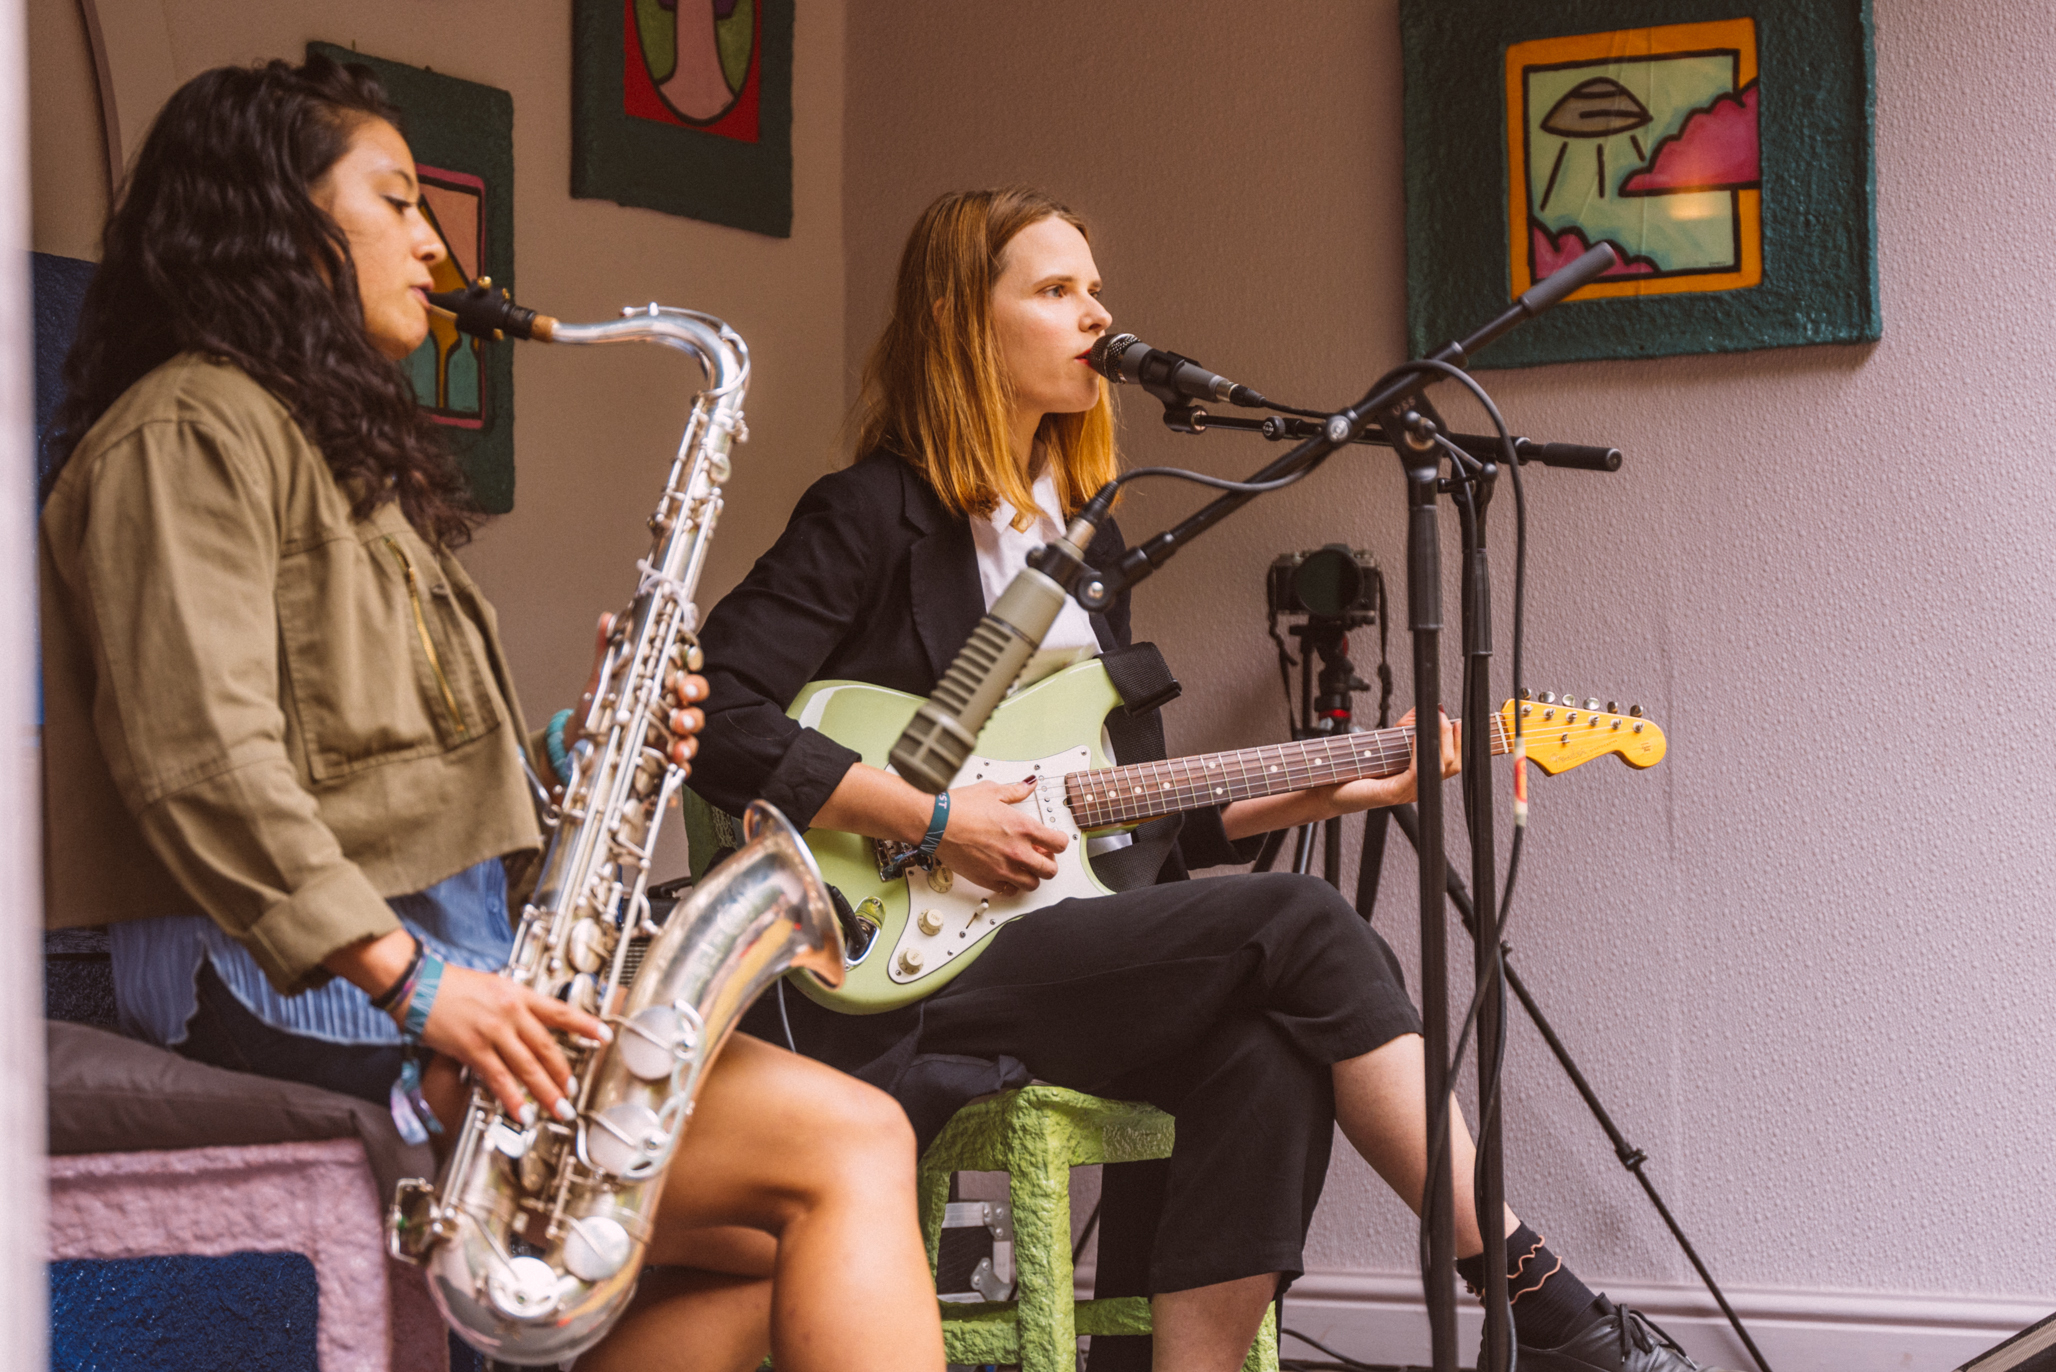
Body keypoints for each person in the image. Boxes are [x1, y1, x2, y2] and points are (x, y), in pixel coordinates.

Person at [690, 187, 1735, 1372]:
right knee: (1304, 920)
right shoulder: (872, 512)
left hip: (1059, 933)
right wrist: (932, 817)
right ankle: (1533, 1297)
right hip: (895, 961)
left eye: (1095, 287)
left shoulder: (1087, 543)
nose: (1097, 313)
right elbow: (713, 713)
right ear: (959, 321)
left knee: (1269, 1045)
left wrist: (1344, 784)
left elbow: (1137, 820)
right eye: (1055, 289)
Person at [38, 55, 942, 1372]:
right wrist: (420, 989)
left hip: (443, 967)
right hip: (306, 998)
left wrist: (595, 757)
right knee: (854, 1144)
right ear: (279, 227)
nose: (435, 242)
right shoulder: (184, 431)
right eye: (397, 202)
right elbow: (199, 764)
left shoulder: (345, 466)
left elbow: (391, 782)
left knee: (778, 1256)